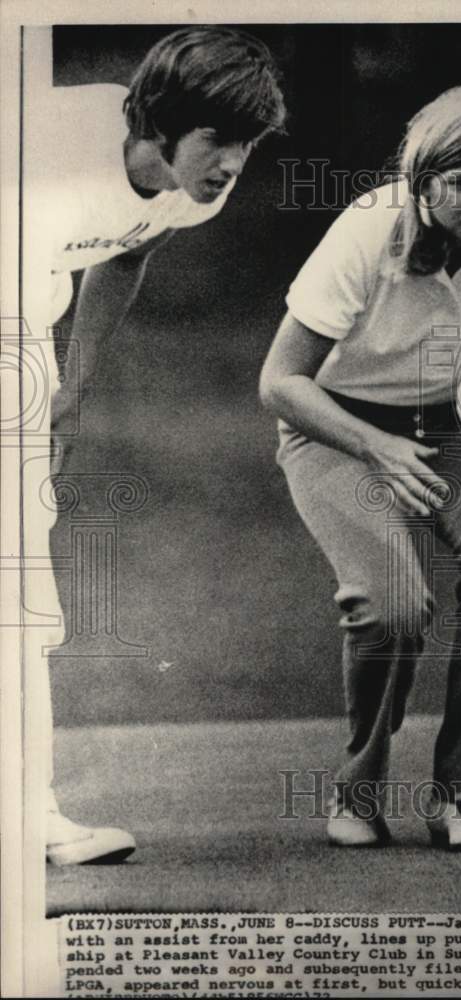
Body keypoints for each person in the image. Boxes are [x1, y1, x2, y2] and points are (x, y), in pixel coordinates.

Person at [259, 83, 461, 852]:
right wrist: (375, 448)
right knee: (393, 608)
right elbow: (280, 381)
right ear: (423, 182)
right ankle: (358, 789)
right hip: (339, 428)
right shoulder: (367, 232)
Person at [33, 26, 286, 864]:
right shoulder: (45, 142)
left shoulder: (192, 191)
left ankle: (30, 815)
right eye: (217, 137)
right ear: (157, 120)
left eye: (245, 145)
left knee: (23, 610)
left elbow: (127, 253)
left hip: (20, 342)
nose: (229, 163)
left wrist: (69, 392)